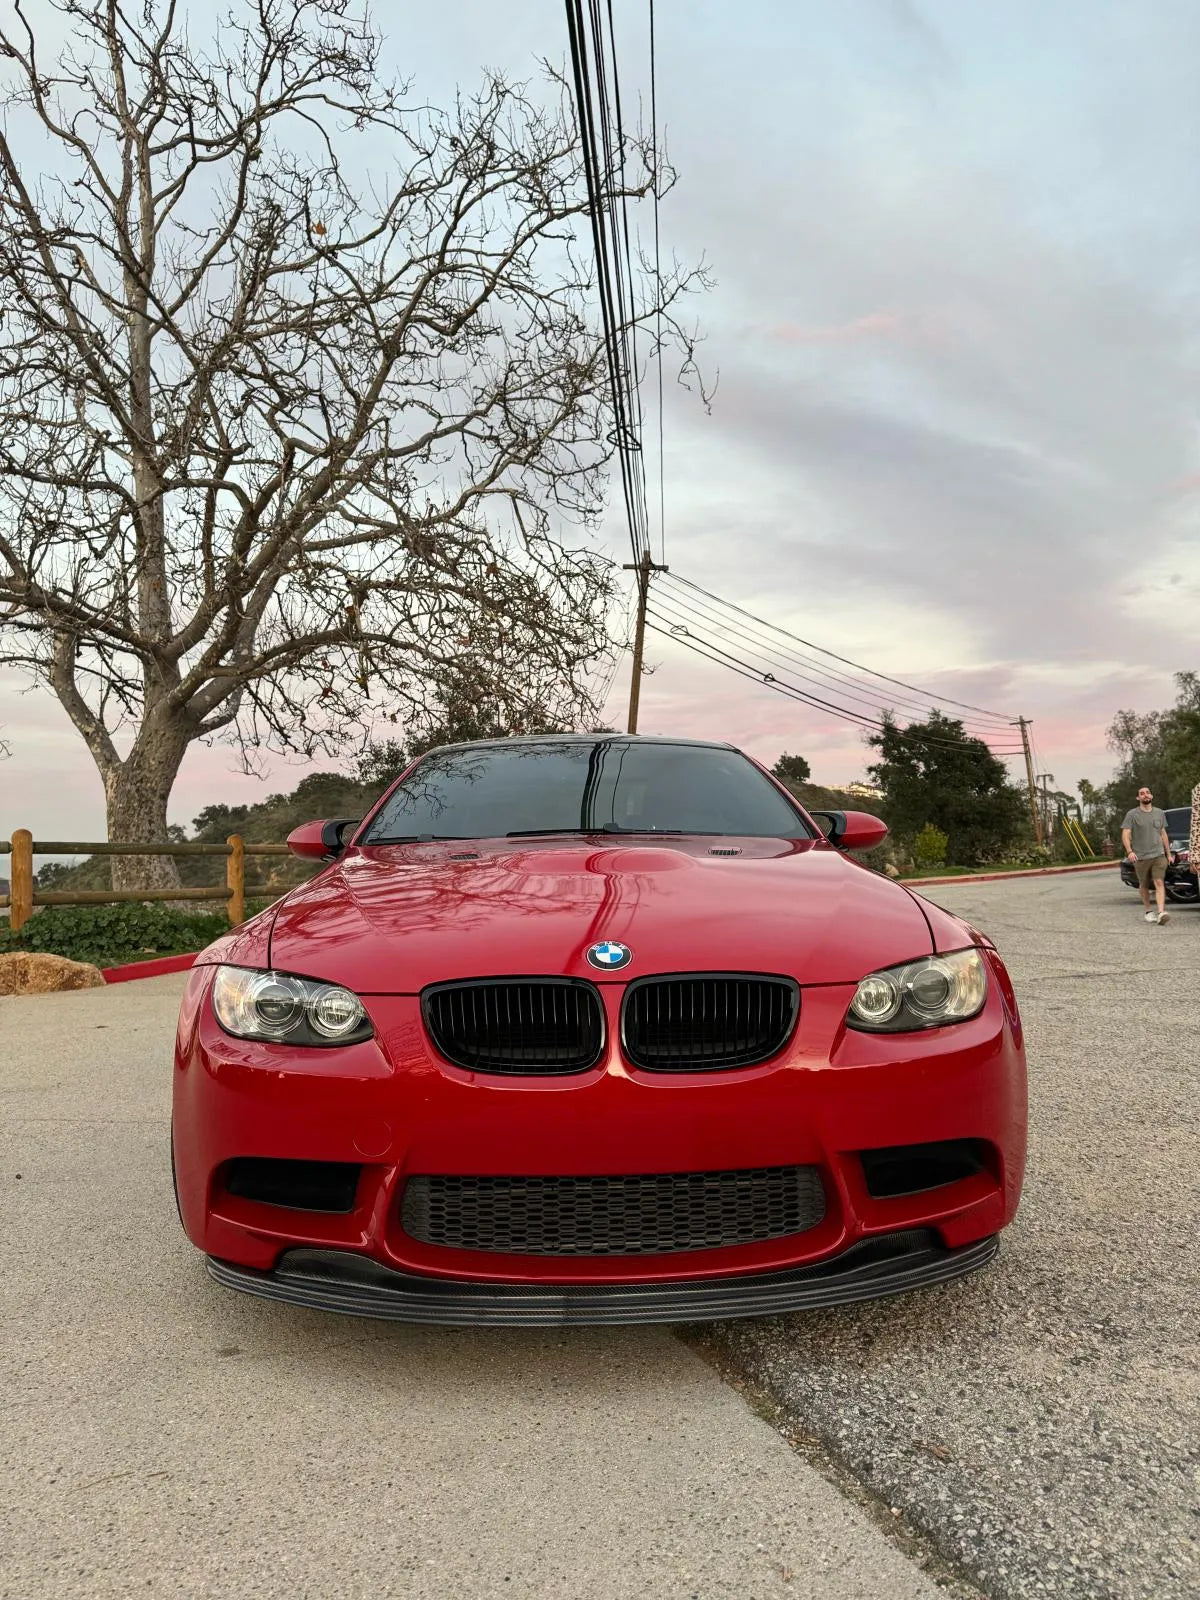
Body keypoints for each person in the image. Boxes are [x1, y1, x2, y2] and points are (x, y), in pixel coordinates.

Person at [1121, 785, 1171, 925]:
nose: (1145, 795)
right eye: (1142, 793)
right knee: (1144, 885)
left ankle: (1161, 913)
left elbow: (1163, 834)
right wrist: (1130, 851)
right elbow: (1125, 834)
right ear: (1138, 798)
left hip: (1158, 854)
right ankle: (1149, 911)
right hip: (1141, 856)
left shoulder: (1159, 813)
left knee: (1159, 881)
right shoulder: (1132, 815)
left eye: (1148, 792)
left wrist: (1168, 853)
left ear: (1151, 796)